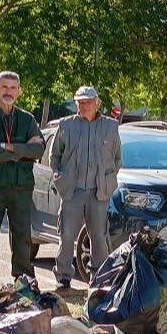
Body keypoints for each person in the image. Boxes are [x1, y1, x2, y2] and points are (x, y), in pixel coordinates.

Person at [0, 71, 45, 289]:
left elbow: (39, 148)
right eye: (4, 87)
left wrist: (6, 146)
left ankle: (24, 282)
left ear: (19, 91)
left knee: (23, 238)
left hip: (20, 187)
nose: (8, 92)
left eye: (13, 88)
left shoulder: (27, 119)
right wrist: (23, 150)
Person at [50, 86, 122, 288]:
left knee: (99, 236)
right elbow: (54, 156)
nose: (84, 106)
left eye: (88, 102)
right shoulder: (66, 125)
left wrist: (108, 180)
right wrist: (59, 177)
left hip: (98, 192)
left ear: (97, 103)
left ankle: (98, 277)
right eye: (80, 102)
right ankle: (63, 276)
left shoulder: (110, 126)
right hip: (72, 191)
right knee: (66, 234)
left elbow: (117, 158)